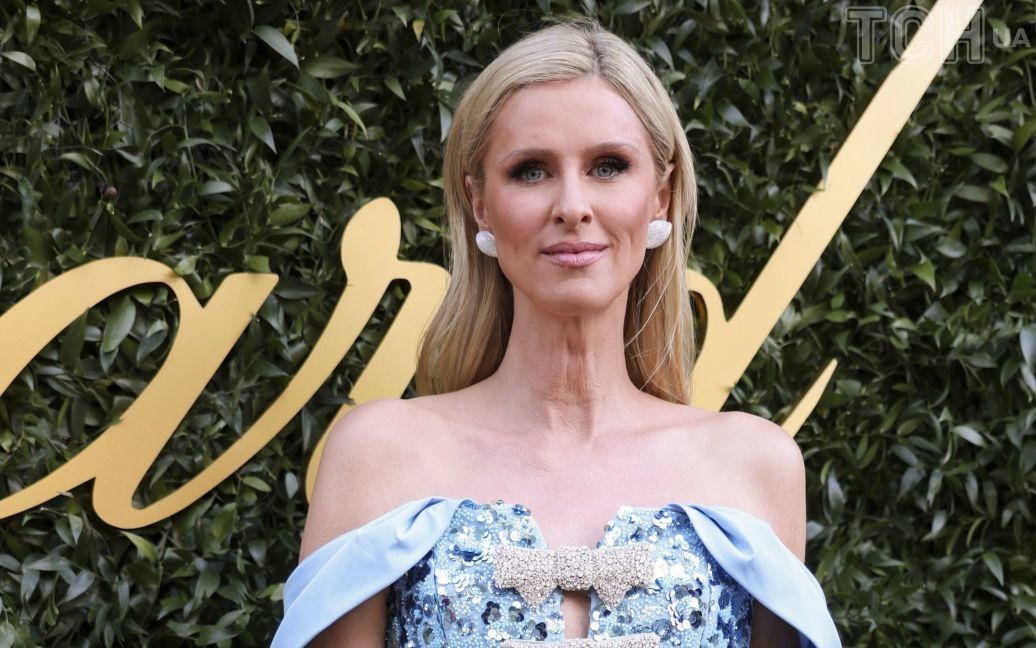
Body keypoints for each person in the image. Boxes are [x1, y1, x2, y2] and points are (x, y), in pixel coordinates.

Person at [272, 17, 840, 648]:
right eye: (531, 171)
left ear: (661, 195)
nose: (572, 206)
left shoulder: (755, 467)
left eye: (608, 166)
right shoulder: (378, 454)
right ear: (480, 204)